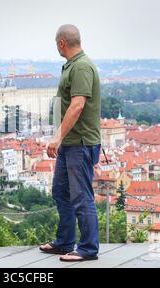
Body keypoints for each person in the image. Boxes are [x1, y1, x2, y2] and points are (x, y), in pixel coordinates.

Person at [39, 24, 101, 262]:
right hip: (71, 144)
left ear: (61, 43)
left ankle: (87, 249)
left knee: (81, 196)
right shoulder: (74, 66)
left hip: (80, 144)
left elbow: (77, 105)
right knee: (61, 192)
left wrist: (58, 137)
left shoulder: (82, 67)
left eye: (56, 43)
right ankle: (65, 242)